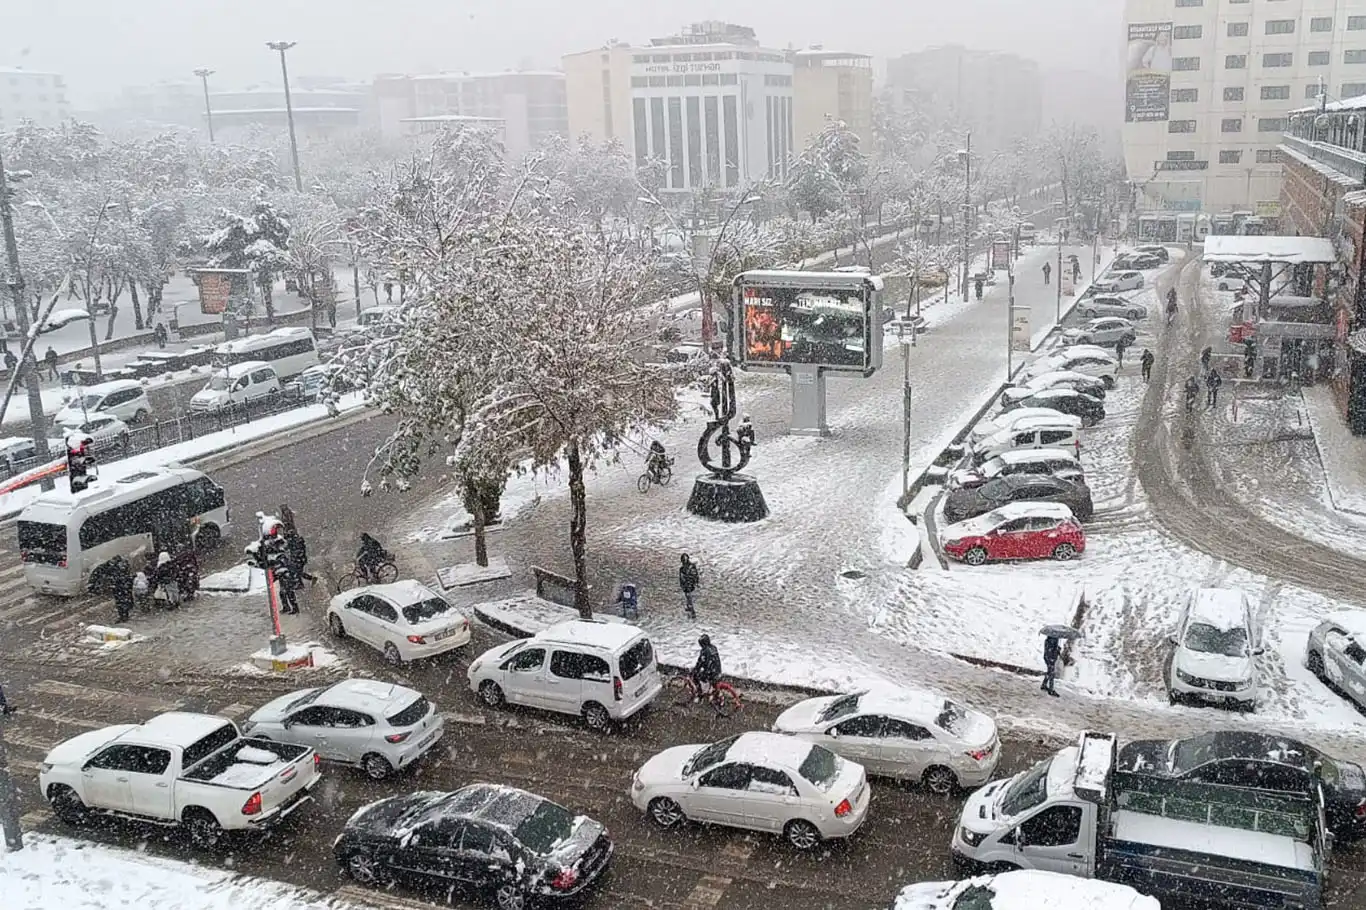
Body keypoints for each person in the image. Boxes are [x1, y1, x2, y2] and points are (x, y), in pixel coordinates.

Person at [679, 553, 700, 620]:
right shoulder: (681, 569)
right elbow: (681, 577)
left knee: (690, 597)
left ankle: (692, 612)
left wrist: (695, 582)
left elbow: (695, 575)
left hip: (690, 585)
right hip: (685, 585)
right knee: (688, 597)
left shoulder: (691, 567)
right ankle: (690, 607)